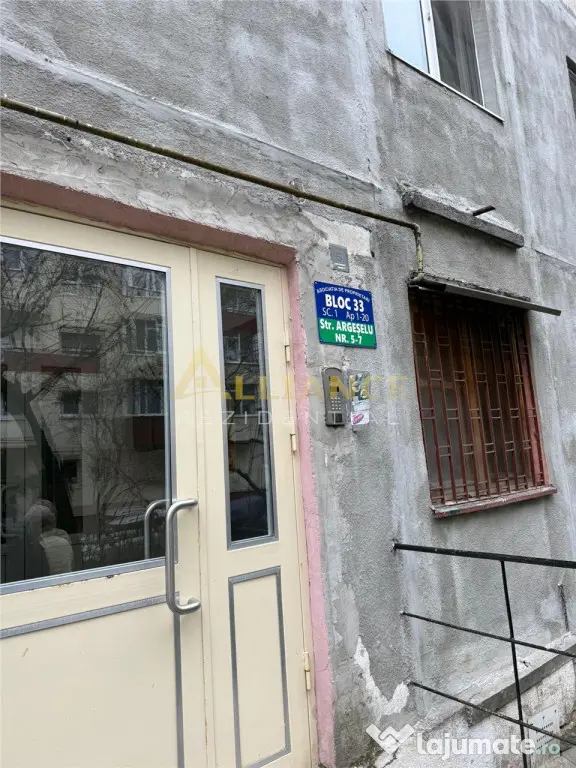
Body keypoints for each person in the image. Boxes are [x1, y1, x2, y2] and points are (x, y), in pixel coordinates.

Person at [25, 500, 73, 576]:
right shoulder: (64, 537)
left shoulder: (40, 545)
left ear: (37, 525)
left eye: (30, 525)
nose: (29, 529)